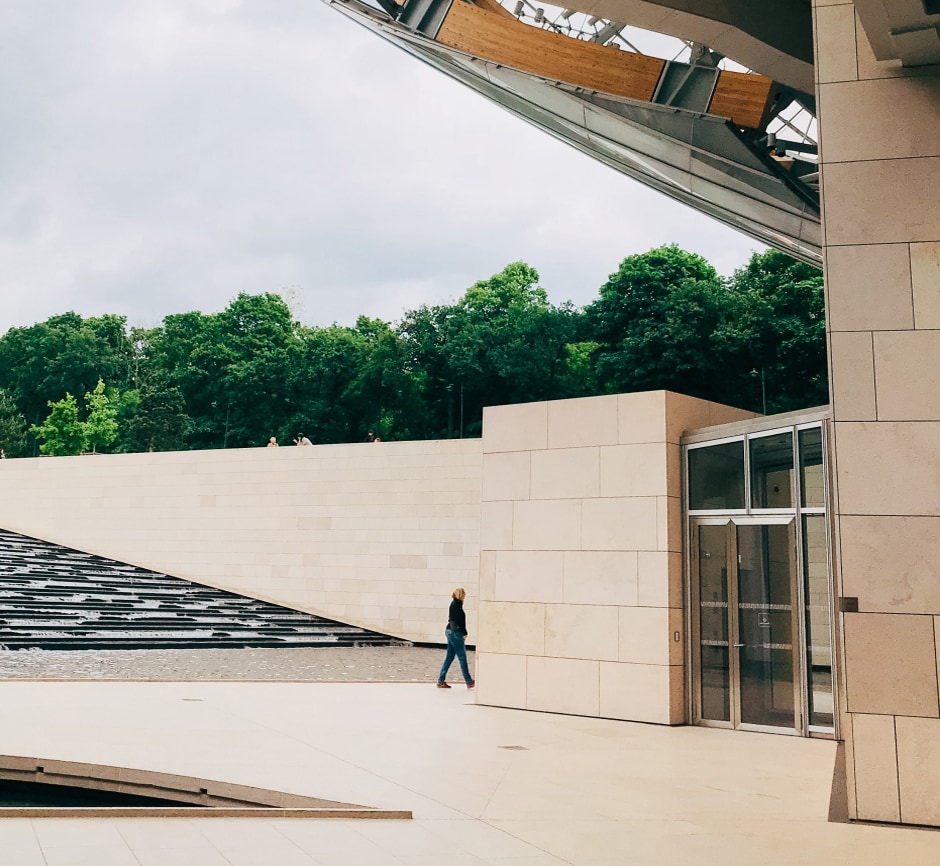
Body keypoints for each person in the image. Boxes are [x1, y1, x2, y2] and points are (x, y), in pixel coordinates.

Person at [437, 587, 474, 689]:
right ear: (460, 595)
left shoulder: (453, 604)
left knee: (449, 657)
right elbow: (460, 622)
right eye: (464, 594)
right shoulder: (458, 606)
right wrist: (464, 633)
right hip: (455, 633)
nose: (465, 596)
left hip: (449, 631)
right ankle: (469, 681)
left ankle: (441, 680)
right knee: (462, 657)